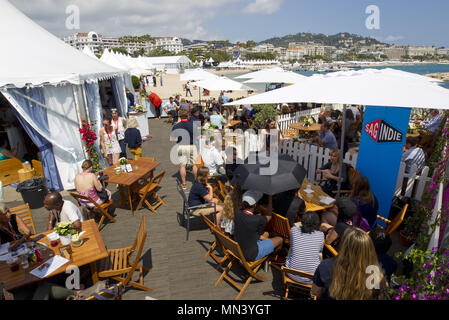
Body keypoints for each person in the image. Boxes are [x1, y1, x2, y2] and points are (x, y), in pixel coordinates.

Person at [312, 228, 388, 300]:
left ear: (343, 245)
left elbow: (316, 291)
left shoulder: (326, 265)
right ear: (368, 249)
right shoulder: (374, 271)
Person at [234, 191, 283, 261]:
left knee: (267, 234)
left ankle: (268, 252)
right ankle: (271, 258)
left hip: (239, 249)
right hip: (251, 254)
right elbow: (269, 216)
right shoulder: (257, 220)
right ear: (255, 205)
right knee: (280, 239)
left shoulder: (237, 213)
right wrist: (270, 198)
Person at [285, 212, 324, 285]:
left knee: (291, 250)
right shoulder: (320, 235)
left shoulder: (294, 230)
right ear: (316, 223)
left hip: (291, 274)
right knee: (320, 256)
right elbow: (320, 250)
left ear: (302, 221)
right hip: (311, 278)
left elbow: (292, 245)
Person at [171, 109, 198, 189]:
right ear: (188, 115)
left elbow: (173, 138)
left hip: (181, 146)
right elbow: (197, 136)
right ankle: (196, 182)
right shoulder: (192, 125)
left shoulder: (176, 126)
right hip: (191, 145)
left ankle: (184, 184)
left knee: (182, 166)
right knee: (194, 165)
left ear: (179, 116)